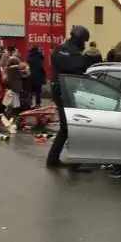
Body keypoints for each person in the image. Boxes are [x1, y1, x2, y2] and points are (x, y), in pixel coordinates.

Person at [46, 25, 90, 168]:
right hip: (66, 91)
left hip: (58, 89)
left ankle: (58, 160)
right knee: (69, 127)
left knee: (68, 127)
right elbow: (81, 68)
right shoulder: (74, 54)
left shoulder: (59, 49)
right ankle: (57, 160)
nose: (84, 44)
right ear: (80, 39)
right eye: (84, 41)